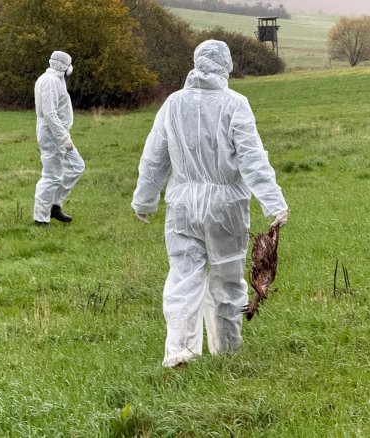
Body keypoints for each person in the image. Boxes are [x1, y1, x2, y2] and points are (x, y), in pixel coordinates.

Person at [132, 40, 290, 368]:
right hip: (226, 207)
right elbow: (251, 158)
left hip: (183, 206)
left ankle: (179, 351)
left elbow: (154, 156)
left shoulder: (173, 104)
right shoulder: (235, 104)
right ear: (226, 67)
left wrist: (144, 200)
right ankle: (227, 352)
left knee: (183, 277)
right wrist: (274, 202)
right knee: (227, 279)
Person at [32, 50, 85, 226]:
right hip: (52, 135)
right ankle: (40, 219)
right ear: (64, 66)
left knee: (77, 167)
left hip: (60, 135)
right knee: (51, 176)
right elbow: (49, 112)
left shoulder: (56, 80)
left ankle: (54, 205)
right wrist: (63, 137)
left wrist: (64, 135)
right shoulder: (50, 82)